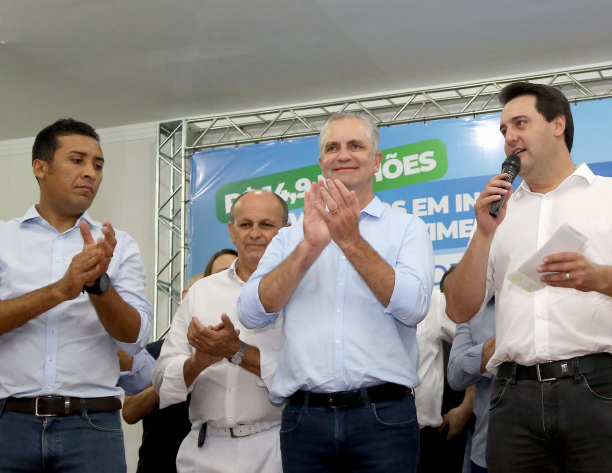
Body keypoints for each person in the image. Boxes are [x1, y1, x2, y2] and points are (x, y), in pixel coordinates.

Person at [443, 82, 612, 473]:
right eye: (503, 130)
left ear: (558, 124)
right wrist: (483, 232)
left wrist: (596, 276)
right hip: (511, 397)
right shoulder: (499, 214)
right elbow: (458, 307)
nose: (509, 137)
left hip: (597, 390)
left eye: (520, 123)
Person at [237, 111, 435, 472]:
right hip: (304, 419)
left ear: (376, 161)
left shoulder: (408, 228)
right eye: (333, 147)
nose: (343, 155)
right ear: (321, 162)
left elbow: (414, 307)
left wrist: (350, 240)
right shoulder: (290, 237)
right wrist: (309, 247)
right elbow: (251, 313)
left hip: (384, 419)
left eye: (355, 145)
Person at [0, 118, 152, 472]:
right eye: (77, 160)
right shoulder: (4, 240)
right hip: (9, 424)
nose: (91, 173)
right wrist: (60, 290)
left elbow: (134, 338)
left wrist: (99, 285)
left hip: (91, 426)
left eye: (98, 165)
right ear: (41, 167)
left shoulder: (120, 244)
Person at [153, 190, 289, 473]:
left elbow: (300, 377)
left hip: (275, 448)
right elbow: (162, 381)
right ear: (231, 231)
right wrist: (198, 362)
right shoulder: (202, 291)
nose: (254, 233)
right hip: (203, 450)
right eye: (245, 224)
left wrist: (236, 351)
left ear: (285, 231)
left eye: (266, 224)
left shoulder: (300, 290)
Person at [124, 247, 236, 473]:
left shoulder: (246, 348)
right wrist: (186, 370)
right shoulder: (156, 352)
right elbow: (130, 412)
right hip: (160, 463)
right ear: (187, 297)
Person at [416, 273, 475, 473]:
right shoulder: (351, 311)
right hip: (366, 434)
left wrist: (467, 406)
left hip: (427, 438)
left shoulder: (432, 303)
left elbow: (476, 348)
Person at [448, 296, 496, 473]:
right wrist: (494, 347)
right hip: (488, 448)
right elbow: (455, 376)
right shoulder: (474, 307)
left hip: (559, 447)